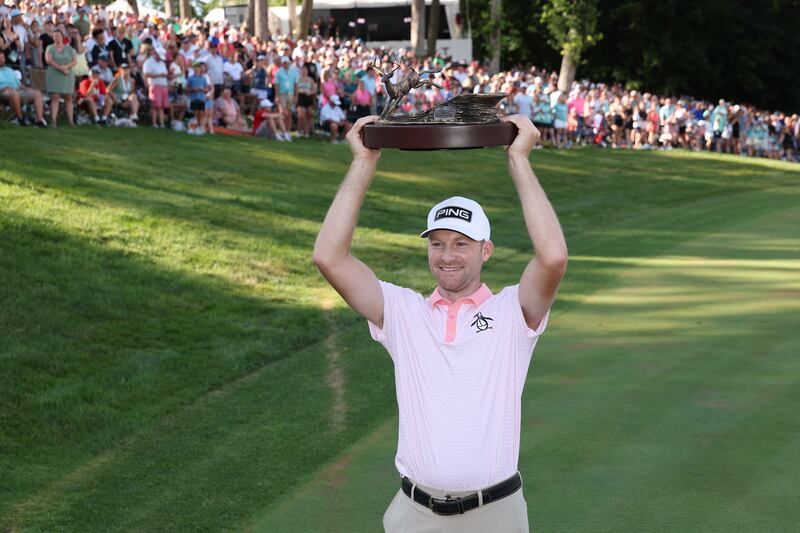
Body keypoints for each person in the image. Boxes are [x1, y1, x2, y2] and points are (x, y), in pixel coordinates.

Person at [313, 113, 567, 532]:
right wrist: (363, 161)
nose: (447, 255)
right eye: (437, 243)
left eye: (461, 244)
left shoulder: (511, 312)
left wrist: (519, 159)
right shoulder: (403, 312)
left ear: (486, 251)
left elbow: (553, 258)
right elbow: (329, 257)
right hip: (414, 514)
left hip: (495, 515)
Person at [0, 51, 48, 127]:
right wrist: (2, 88)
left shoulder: (9, 70)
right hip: (3, 92)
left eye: (2, 58)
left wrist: (25, 88)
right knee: (14, 93)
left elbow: (18, 83)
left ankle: (40, 120)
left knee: (37, 93)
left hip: (17, 90)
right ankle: (20, 119)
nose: (1, 60)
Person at [45, 29, 77, 127]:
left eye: (58, 35)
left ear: (62, 37)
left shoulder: (69, 49)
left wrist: (66, 67)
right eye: (54, 36)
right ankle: (53, 121)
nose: (56, 38)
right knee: (55, 96)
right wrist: (60, 68)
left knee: (68, 97)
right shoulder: (50, 48)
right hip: (54, 73)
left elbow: (74, 61)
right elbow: (49, 60)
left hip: (67, 74)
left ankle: (71, 121)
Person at [143, 45, 169, 128]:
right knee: (155, 106)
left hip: (163, 85)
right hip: (155, 85)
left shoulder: (162, 63)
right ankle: (154, 123)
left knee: (161, 106)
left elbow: (165, 73)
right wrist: (157, 75)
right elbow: (146, 74)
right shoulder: (148, 62)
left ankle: (161, 123)